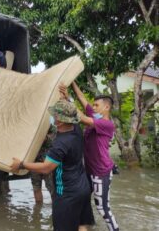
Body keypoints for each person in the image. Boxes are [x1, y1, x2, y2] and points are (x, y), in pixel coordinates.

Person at [11, 100, 95, 231]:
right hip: (83, 188)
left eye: (55, 115)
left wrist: (22, 164)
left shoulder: (60, 144)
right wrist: (65, 97)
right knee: (82, 225)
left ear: (60, 121)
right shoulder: (77, 129)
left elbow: (46, 168)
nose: (53, 117)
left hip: (67, 194)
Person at [60, 82, 119, 231]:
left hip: (101, 172)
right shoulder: (95, 115)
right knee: (81, 198)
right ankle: (83, 226)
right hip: (88, 170)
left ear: (106, 107)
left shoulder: (106, 124)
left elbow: (83, 119)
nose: (93, 107)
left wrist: (68, 102)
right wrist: (72, 84)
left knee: (103, 208)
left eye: (96, 105)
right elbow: (82, 98)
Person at [31, 125, 56, 203]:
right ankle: (38, 210)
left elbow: (52, 141)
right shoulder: (30, 127)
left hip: (47, 163)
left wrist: (44, 137)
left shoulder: (50, 127)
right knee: (36, 188)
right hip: (34, 162)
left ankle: (56, 210)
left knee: (52, 189)